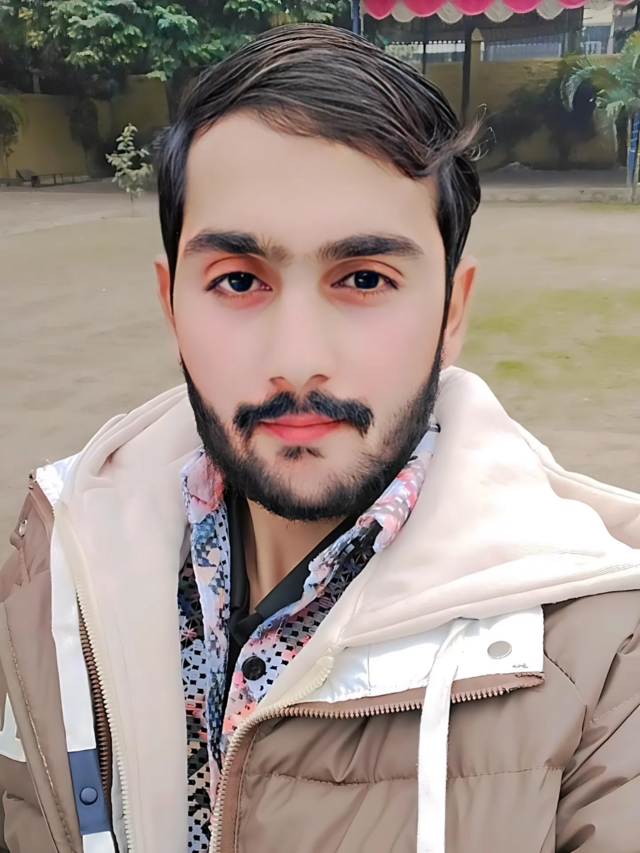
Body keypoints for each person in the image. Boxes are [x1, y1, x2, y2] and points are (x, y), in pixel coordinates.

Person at [1, 24, 639, 853]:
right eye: (238, 280)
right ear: (172, 306)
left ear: (452, 313)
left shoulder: (605, 658)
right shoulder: (54, 568)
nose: (297, 358)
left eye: (364, 279)